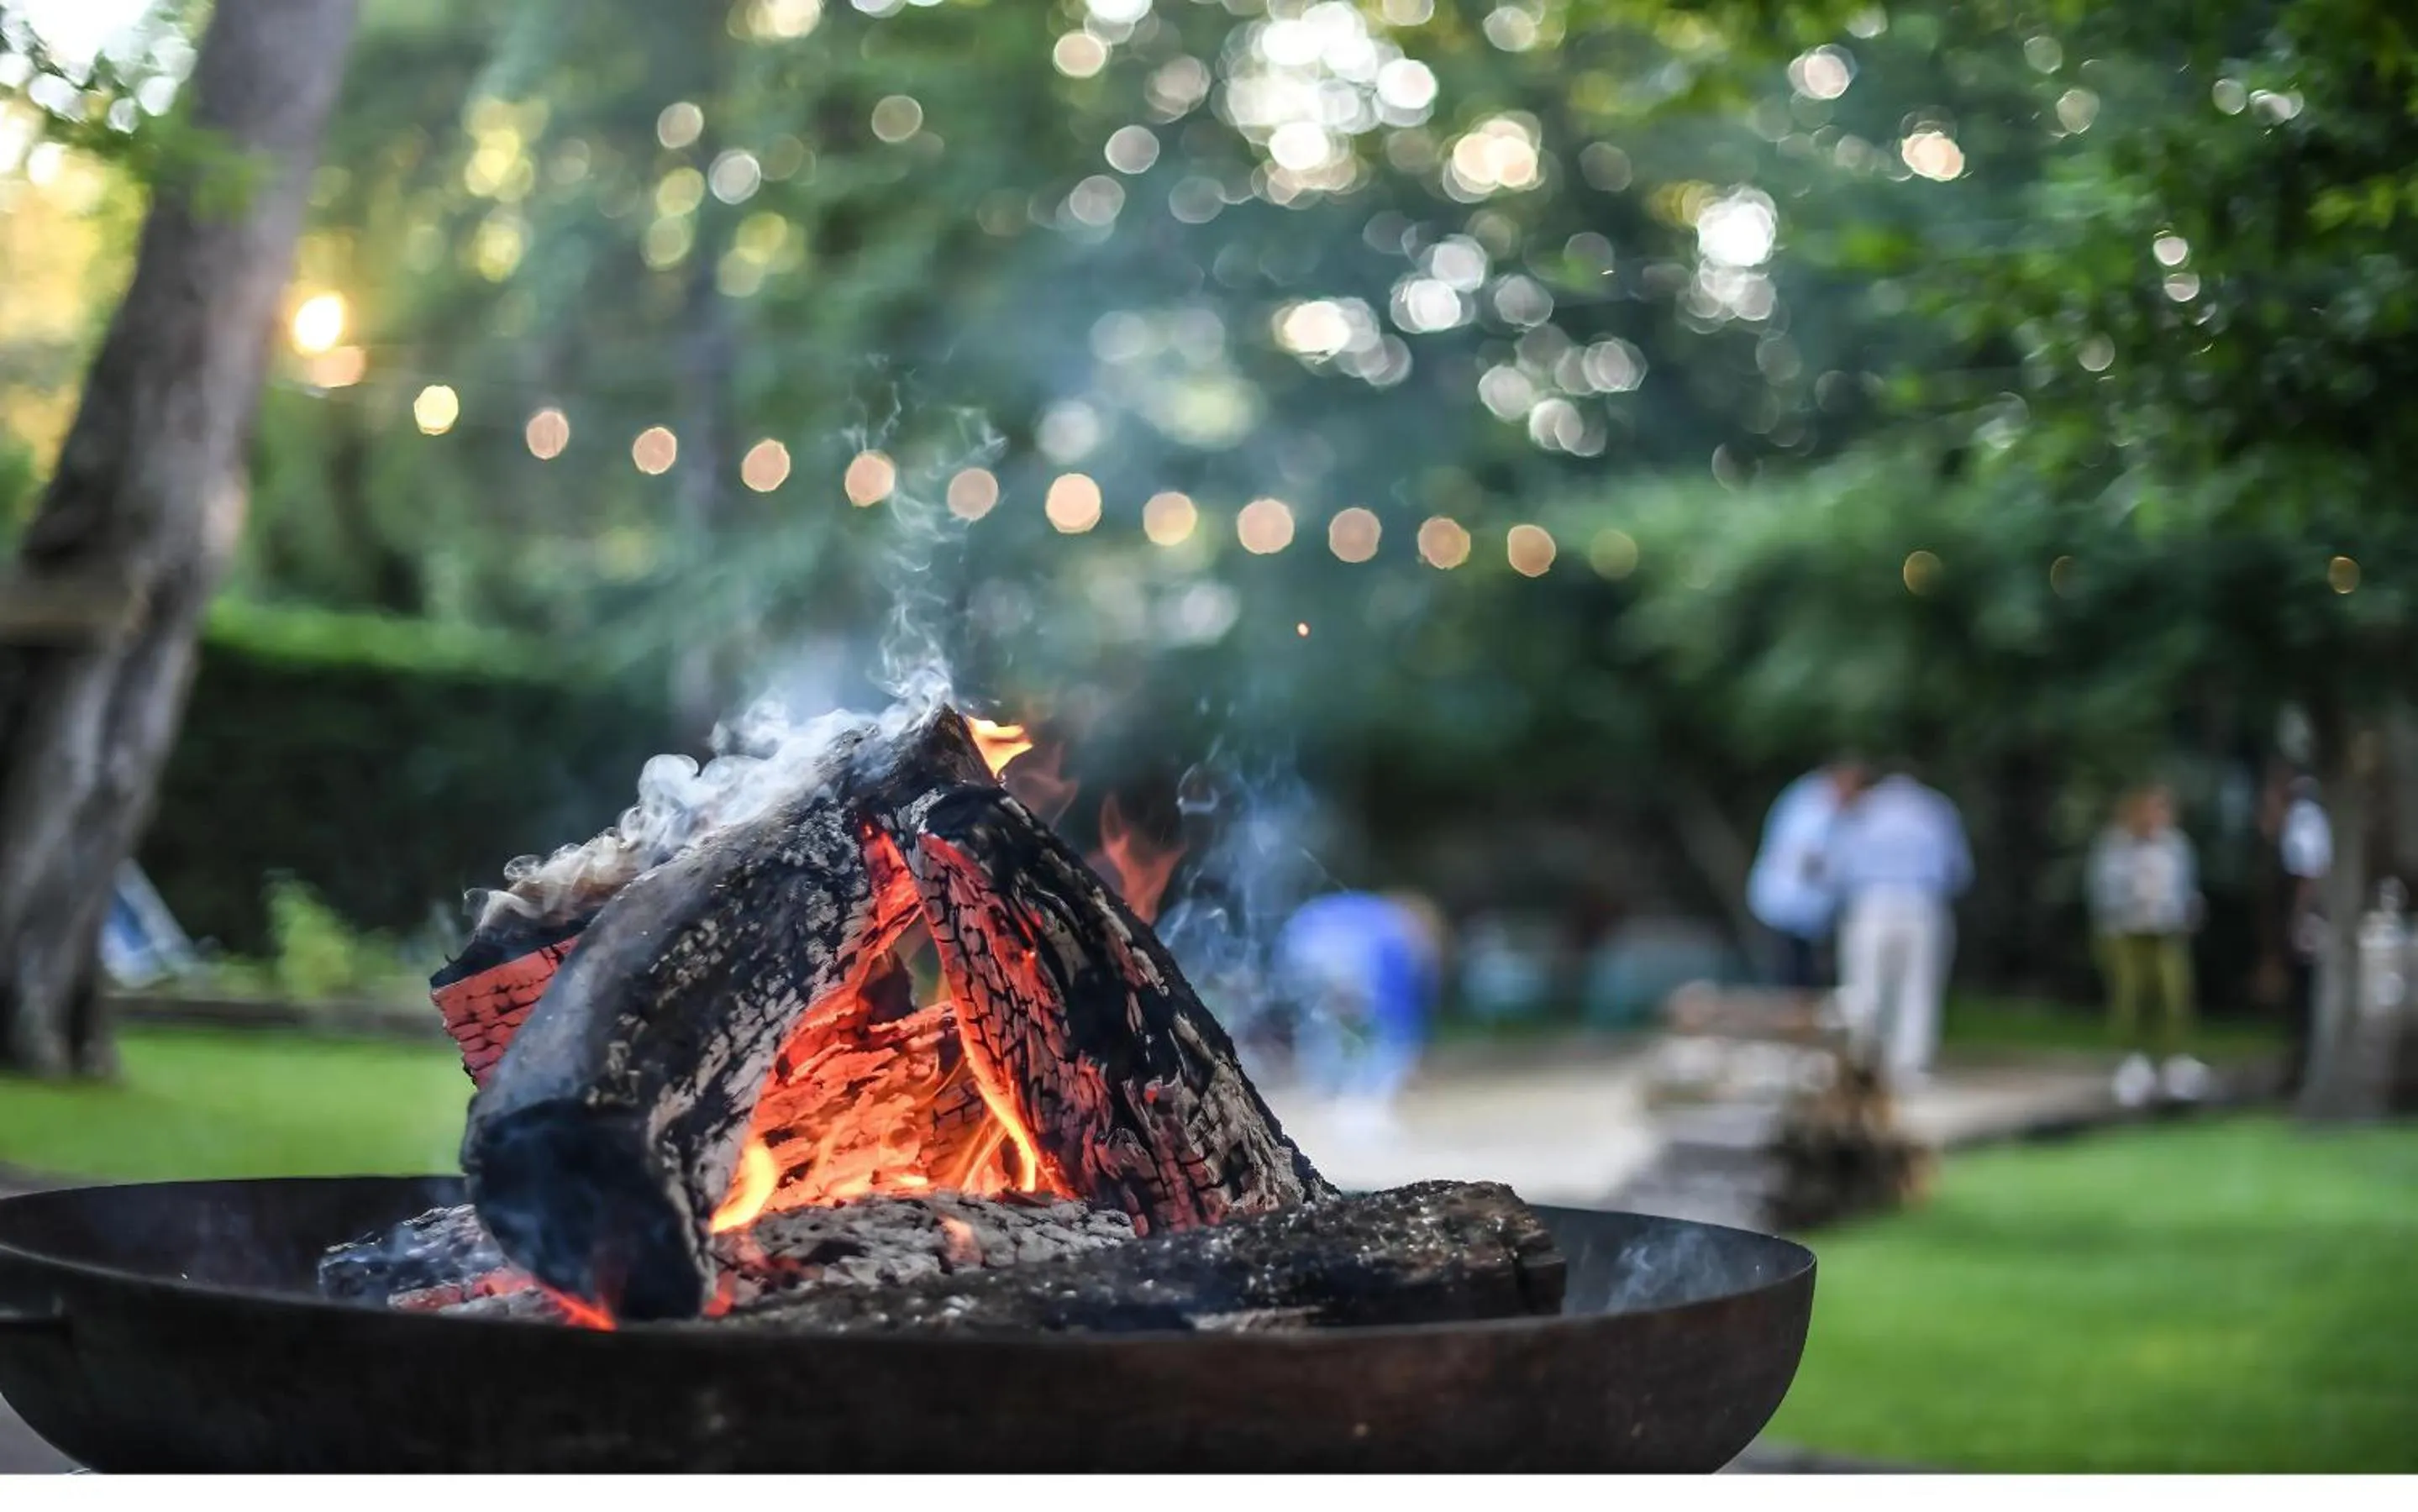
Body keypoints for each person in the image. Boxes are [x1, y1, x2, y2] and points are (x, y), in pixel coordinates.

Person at [1821, 763, 1972, 1086]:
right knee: (1919, 990)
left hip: (1871, 904)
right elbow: (1957, 870)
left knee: (1864, 989)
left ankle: (1862, 1063)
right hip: (1922, 905)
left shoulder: (1863, 810)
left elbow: (1838, 869)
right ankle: (1910, 1068)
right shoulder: (1935, 808)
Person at [1275, 890, 1443, 1136]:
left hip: (1303, 952)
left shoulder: (1362, 910)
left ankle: (1327, 1097)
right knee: (1387, 1034)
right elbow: (1398, 1009)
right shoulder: (1394, 933)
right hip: (1352, 963)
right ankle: (1368, 1102)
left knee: (1321, 1024)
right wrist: (1411, 1047)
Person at [2088, 785, 2206, 1105]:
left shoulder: (2176, 846)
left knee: (2173, 993)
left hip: (2166, 930)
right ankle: (2132, 1062)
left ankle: (2175, 1062)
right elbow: (2103, 889)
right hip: (2128, 931)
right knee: (2130, 996)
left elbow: (2187, 887)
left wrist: (2188, 915)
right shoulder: (2116, 845)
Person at [1746, 760, 1869, 990]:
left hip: (1807, 915)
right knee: (1789, 981)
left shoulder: (1829, 807)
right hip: (1784, 908)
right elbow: (1804, 857)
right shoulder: (1810, 803)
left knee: (1806, 979)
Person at [2279, 774, 2332, 1089]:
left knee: (2305, 987)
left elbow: (2307, 875)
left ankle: (2305, 1063)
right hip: (2312, 914)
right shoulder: (2316, 818)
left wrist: (2298, 918)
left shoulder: (2303, 820)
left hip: (2308, 916)